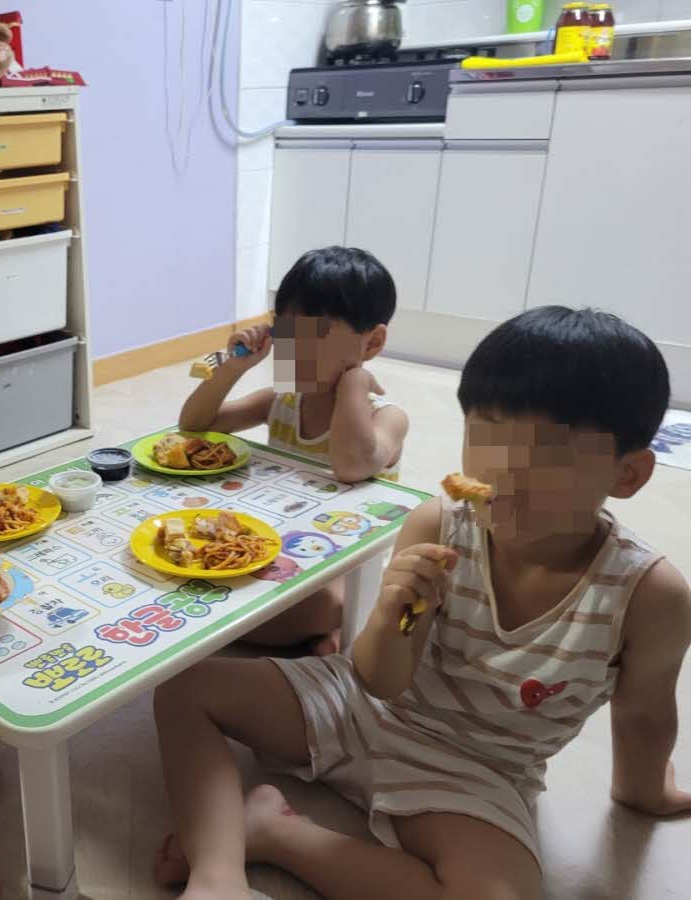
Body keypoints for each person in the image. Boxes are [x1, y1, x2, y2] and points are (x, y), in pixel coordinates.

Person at [153, 306, 691, 900]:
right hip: (357, 705)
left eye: (549, 452)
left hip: (477, 769)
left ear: (627, 474)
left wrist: (644, 792)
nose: (505, 470)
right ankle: (218, 876)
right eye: (486, 435)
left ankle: (274, 833)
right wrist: (394, 612)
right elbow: (378, 680)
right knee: (184, 688)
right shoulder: (439, 525)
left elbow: (644, 716)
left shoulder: (648, 594)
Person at [180, 246, 407, 653]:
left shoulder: (388, 418)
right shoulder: (281, 401)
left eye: (314, 338)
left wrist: (354, 383)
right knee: (201, 554)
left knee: (326, 604)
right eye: (285, 332)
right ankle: (309, 635)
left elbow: (351, 466)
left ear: (371, 342)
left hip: (346, 565)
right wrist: (233, 367)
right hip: (278, 548)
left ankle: (333, 627)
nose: (293, 351)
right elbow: (195, 425)